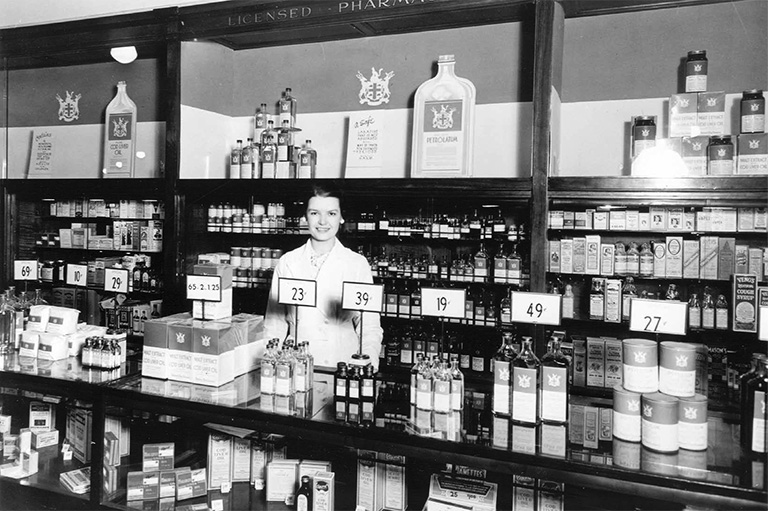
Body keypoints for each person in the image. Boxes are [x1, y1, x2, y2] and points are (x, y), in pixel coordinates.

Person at [264, 182, 383, 370]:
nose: (322, 221)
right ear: (305, 216)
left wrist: (367, 364)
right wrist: (270, 364)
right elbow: (274, 324)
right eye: (314, 213)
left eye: (331, 213)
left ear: (341, 217)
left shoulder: (357, 264)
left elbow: (369, 326)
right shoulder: (287, 262)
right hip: (295, 364)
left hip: (343, 366)